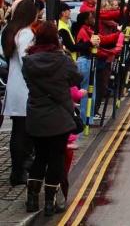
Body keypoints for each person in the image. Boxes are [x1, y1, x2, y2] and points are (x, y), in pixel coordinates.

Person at [22, 21, 82, 216]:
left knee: (40, 156)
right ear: (56, 38)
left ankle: (31, 199)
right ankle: (49, 203)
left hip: (36, 116)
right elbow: (76, 78)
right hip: (59, 117)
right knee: (56, 158)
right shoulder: (62, 60)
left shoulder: (28, 61)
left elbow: (28, 82)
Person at [1, 0, 39, 186]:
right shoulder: (25, 34)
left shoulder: (12, 30)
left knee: (19, 131)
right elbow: (28, 61)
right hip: (24, 87)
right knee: (24, 133)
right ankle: (20, 170)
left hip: (15, 86)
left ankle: (18, 170)